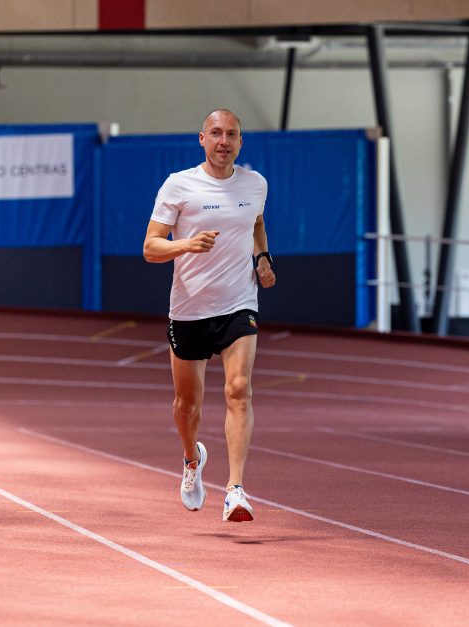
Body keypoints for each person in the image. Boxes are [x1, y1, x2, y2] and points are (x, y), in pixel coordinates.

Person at [143, 109, 275, 523]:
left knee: (239, 389)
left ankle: (236, 489)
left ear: (240, 142)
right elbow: (150, 247)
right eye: (216, 133)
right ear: (201, 139)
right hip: (190, 308)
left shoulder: (255, 184)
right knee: (188, 406)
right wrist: (185, 245)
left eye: (231, 134)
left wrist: (262, 257)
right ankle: (191, 458)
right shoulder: (179, 185)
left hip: (239, 302)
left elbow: (255, 221)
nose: (223, 141)